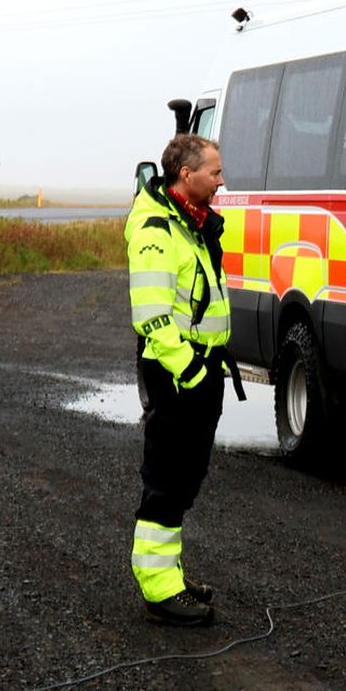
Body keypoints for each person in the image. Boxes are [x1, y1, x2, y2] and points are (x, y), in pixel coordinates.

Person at [125, 134, 233, 626]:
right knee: (167, 480)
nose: (221, 178)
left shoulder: (190, 223)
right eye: (214, 171)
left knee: (185, 478)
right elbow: (151, 316)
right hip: (176, 372)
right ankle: (159, 591)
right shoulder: (156, 228)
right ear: (186, 175)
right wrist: (190, 371)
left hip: (197, 369)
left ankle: (169, 575)